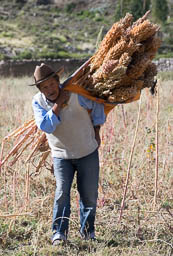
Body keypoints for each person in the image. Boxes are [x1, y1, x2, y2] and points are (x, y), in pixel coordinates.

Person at [30, 63, 106, 245]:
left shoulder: (76, 93)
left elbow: (97, 104)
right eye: (44, 87)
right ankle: (59, 234)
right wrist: (57, 105)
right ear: (40, 89)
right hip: (61, 155)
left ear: (58, 81)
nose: (49, 89)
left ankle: (88, 232)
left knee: (88, 194)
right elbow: (46, 126)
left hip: (86, 150)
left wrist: (96, 130)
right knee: (62, 193)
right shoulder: (37, 102)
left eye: (52, 84)